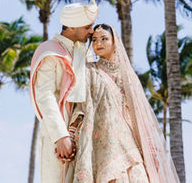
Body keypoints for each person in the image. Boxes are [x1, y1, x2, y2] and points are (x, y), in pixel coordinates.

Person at [64, 23, 180, 182]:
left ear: (114, 41)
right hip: (102, 147)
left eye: (104, 39)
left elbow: (138, 113)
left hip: (129, 145)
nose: (98, 44)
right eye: (95, 40)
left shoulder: (128, 76)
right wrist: (69, 136)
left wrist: (149, 148)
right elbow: (80, 106)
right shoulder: (88, 71)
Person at [29, 0, 99, 183]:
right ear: (71, 27)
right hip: (58, 132)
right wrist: (61, 137)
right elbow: (45, 96)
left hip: (87, 132)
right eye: (87, 27)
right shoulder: (50, 51)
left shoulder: (85, 53)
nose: (91, 31)